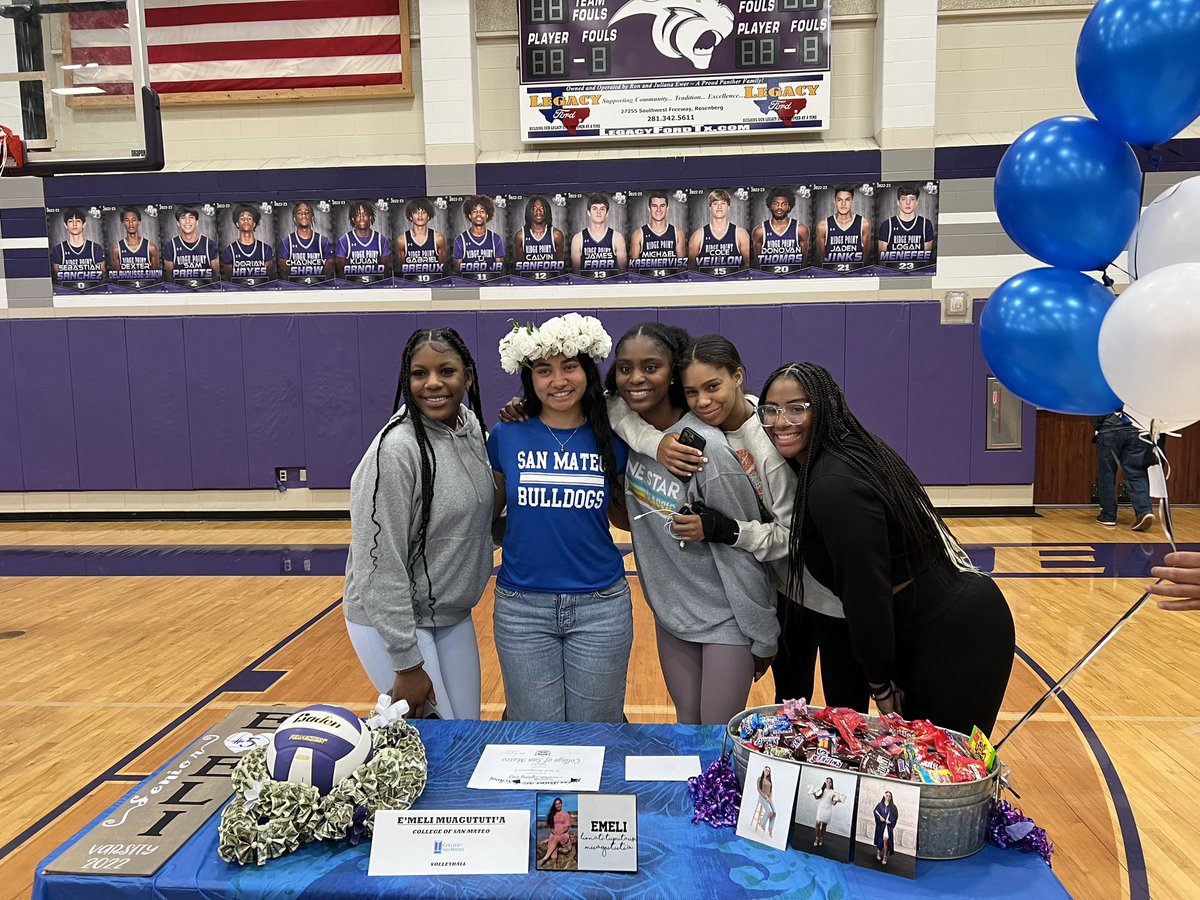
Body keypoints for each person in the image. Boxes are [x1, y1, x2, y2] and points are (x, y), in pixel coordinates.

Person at [761, 362, 1014, 736]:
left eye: (797, 408)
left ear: (825, 407)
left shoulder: (833, 484)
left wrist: (877, 681)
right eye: (771, 410)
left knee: (942, 774)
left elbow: (866, 590)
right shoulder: (846, 451)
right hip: (932, 623)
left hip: (954, 634)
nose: (781, 421)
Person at [634, 337, 867, 712]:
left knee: (846, 706)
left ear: (738, 376)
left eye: (713, 387)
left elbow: (795, 536)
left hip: (829, 591)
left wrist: (726, 530)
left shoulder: (768, 443)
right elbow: (620, 410)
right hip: (784, 591)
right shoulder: (710, 431)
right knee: (790, 704)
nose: (703, 401)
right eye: (692, 392)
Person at [605, 324, 778, 725]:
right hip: (672, 616)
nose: (636, 379)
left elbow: (742, 548)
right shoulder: (634, 435)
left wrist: (763, 632)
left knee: (713, 740)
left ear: (673, 374)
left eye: (651, 366)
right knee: (686, 727)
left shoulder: (705, 450)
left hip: (725, 619)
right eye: (625, 368)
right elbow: (644, 517)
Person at [341, 328, 492, 720]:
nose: (433, 384)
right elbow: (379, 564)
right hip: (392, 622)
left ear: (469, 376)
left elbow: (478, 522)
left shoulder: (472, 429)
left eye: (446, 370)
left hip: (450, 614)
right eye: (419, 374)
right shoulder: (395, 450)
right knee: (435, 739)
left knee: (466, 735)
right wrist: (406, 664)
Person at [488, 314, 631, 722]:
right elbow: (485, 514)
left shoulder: (614, 436)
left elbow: (622, 519)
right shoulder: (507, 434)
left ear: (587, 371)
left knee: (596, 730)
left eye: (569, 366)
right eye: (544, 370)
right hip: (521, 607)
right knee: (535, 732)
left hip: (600, 604)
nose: (558, 380)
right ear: (529, 378)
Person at [1094, 410, 1155, 531]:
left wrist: (1099, 424)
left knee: (1107, 473)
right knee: (1136, 472)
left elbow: (1095, 406)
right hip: (1137, 429)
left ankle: (1108, 515)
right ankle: (1144, 511)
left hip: (1109, 428)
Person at [688, 189, 749, 269]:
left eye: (723, 203)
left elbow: (748, 266)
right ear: (710, 207)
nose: (719, 207)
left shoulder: (741, 234)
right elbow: (691, 268)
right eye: (715, 203)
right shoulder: (698, 236)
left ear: (728, 207)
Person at [876, 183, 935, 265]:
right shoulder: (887, 225)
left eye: (912, 199)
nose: (908, 203)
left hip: (918, 274)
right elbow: (882, 259)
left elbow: (926, 259)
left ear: (917, 202)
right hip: (892, 274)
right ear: (898, 202)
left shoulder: (926, 224)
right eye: (904, 199)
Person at [570, 192, 627, 273]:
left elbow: (623, 272)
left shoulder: (617, 238)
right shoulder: (578, 239)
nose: (598, 212)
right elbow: (576, 273)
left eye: (602, 209)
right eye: (594, 208)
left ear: (607, 213)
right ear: (588, 212)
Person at [816, 185, 871, 269]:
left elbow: (865, 259)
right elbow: (822, 260)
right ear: (834, 201)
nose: (843, 204)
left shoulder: (863, 224)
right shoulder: (823, 226)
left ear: (853, 201)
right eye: (839, 200)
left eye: (847, 200)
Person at [752, 187, 809, 266]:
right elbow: (759, 264)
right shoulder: (759, 231)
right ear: (770, 206)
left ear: (789, 207)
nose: (779, 207)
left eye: (784, 204)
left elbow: (803, 263)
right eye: (776, 204)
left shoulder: (801, 229)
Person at [277, 201, 334, 282]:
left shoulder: (323, 241)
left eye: (307, 212)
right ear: (294, 218)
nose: (304, 215)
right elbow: (284, 275)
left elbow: (328, 274)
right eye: (300, 213)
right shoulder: (286, 242)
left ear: (312, 217)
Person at [162, 205, 219, 284]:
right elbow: (170, 277)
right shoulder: (170, 246)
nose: (187, 221)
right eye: (183, 218)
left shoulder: (210, 245)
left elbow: (216, 275)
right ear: (178, 223)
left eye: (191, 217)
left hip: (205, 292)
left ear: (197, 222)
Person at [336, 200, 391, 280]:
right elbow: (342, 271)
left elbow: (384, 271)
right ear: (353, 218)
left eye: (365, 214)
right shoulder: (344, 241)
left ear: (370, 217)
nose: (362, 218)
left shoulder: (381, 240)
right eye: (358, 215)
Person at [220, 204, 275, 282]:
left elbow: (267, 279)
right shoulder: (229, 251)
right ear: (237, 224)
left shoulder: (266, 249)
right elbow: (230, 280)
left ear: (254, 224)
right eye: (242, 218)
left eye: (249, 218)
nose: (246, 221)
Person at [452, 194, 505, 274]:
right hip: (469, 285)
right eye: (474, 211)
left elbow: (500, 270)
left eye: (482, 211)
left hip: (490, 284)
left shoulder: (495, 239)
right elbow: (458, 272)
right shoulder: (460, 240)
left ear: (487, 215)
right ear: (470, 215)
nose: (478, 214)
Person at [394, 198, 446, 277]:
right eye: (416, 212)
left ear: (428, 216)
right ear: (410, 216)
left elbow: (441, 267)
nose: (420, 215)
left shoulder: (438, 238)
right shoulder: (402, 240)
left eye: (423, 212)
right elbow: (403, 268)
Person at [628, 191, 685, 264]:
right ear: (649, 208)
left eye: (662, 206)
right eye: (654, 206)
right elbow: (633, 270)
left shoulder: (678, 233)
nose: (658, 209)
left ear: (667, 208)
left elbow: (682, 268)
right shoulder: (638, 234)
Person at [51, 208, 106, 283]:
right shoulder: (58, 250)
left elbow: (102, 276)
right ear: (65, 225)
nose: (74, 224)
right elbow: (58, 279)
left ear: (84, 224)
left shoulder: (95, 248)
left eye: (78, 221)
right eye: (70, 221)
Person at [513, 195, 565, 273]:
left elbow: (560, 267)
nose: (538, 212)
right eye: (534, 209)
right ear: (529, 211)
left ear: (547, 210)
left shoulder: (556, 235)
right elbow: (521, 270)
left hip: (551, 282)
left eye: (541, 208)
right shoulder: (520, 236)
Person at [108, 207, 159, 276]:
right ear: (123, 223)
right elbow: (117, 279)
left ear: (139, 222)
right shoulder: (117, 249)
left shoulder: (151, 247)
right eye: (127, 220)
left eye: (134, 220)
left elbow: (156, 276)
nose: (131, 224)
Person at [809, 776, 843, 847]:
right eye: (827, 781)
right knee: (817, 824)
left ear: (831, 784)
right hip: (821, 808)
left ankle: (821, 839)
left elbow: (833, 803)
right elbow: (816, 798)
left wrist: (837, 801)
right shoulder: (821, 790)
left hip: (828, 809)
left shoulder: (833, 792)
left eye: (830, 782)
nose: (828, 783)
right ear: (825, 782)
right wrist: (814, 793)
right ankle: (817, 838)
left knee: (824, 825)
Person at [538, 797, 572, 865]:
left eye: (559, 803)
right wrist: (554, 832)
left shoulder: (565, 814)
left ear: (561, 804)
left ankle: (544, 858)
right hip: (554, 834)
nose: (558, 805)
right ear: (554, 805)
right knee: (553, 841)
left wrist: (559, 833)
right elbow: (551, 827)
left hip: (563, 834)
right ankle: (554, 865)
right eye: (556, 804)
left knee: (556, 838)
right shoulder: (552, 814)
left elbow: (567, 827)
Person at [873, 791, 898, 865]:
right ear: (884, 796)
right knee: (879, 839)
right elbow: (875, 812)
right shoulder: (880, 805)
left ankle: (884, 856)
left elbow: (895, 816)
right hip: (881, 826)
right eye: (887, 795)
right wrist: (879, 818)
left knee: (886, 842)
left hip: (888, 827)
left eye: (889, 796)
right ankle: (878, 853)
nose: (888, 797)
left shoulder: (893, 807)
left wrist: (890, 821)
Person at [754, 766, 776, 836]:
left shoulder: (769, 780)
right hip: (762, 797)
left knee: (774, 813)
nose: (767, 771)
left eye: (768, 771)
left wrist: (769, 798)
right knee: (769, 812)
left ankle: (770, 830)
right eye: (766, 770)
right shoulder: (759, 779)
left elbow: (771, 791)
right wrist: (765, 797)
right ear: (763, 770)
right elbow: (758, 790)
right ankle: (762, 824)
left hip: (769, 798)